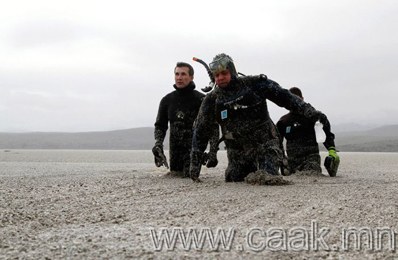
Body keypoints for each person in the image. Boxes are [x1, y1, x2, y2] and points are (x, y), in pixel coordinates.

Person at [189, 53, 330, 183]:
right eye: (216, 75)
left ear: (232, 71)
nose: (220, 78)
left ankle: (280, 161)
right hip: (237, 151)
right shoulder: (212, 100)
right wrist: (194, 166)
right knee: (234, 179)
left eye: (224, 73)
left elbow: (287, 98)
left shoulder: (255, 85)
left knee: (267, 179)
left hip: (265, 145)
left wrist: (312, 113)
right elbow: (201, 131)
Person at [153, 62, 218, 177]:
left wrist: (213, 152)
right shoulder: (167, 100)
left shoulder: (202, 100)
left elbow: (212, 127)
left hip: (194, 154)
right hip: (175, 156)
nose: (179, 78)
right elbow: (160, 126)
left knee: (190, 176)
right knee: (176, 176)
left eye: (183, 74)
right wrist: (158, 144)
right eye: (177, 74)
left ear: (191, 77)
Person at [276, 87, 339, 175]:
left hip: (311, 160)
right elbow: (277, 143)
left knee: (311, 174)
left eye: (297, 100)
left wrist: (332, 150)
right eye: (291, 101)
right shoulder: (283, 122)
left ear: (302, 99)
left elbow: (327, 133)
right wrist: (282, 158)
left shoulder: (314, 117)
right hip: (292, 163)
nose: (295, 103)